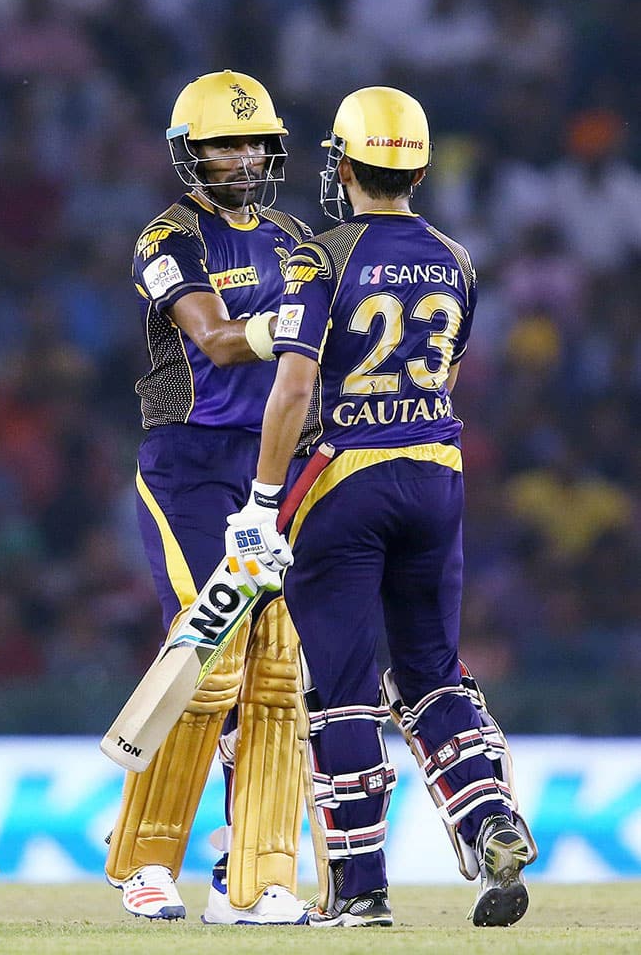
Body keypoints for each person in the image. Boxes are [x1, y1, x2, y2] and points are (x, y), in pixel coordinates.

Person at [224, 86, 537, 927]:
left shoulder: (317, 258)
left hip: (341, 482)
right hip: (436, 476)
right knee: (432, 671)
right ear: (419, 167)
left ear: (343, 164)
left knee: (343, 690)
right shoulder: (457, 260)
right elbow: (447, 378)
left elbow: (293, 386)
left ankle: (359, 888)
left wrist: (260, 500)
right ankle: (487, 818)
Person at [104, 70, 312, 925]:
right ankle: (146, 864)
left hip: (276, 461)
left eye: (253, 140)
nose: (243, 156)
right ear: (190, 154)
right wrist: (290, 329)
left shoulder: (298, 234)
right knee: (206, 656)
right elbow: (218, 344)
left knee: (273, 674)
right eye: (224, 142)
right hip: (187, 462)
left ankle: (258, 871)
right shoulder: (168, 235)